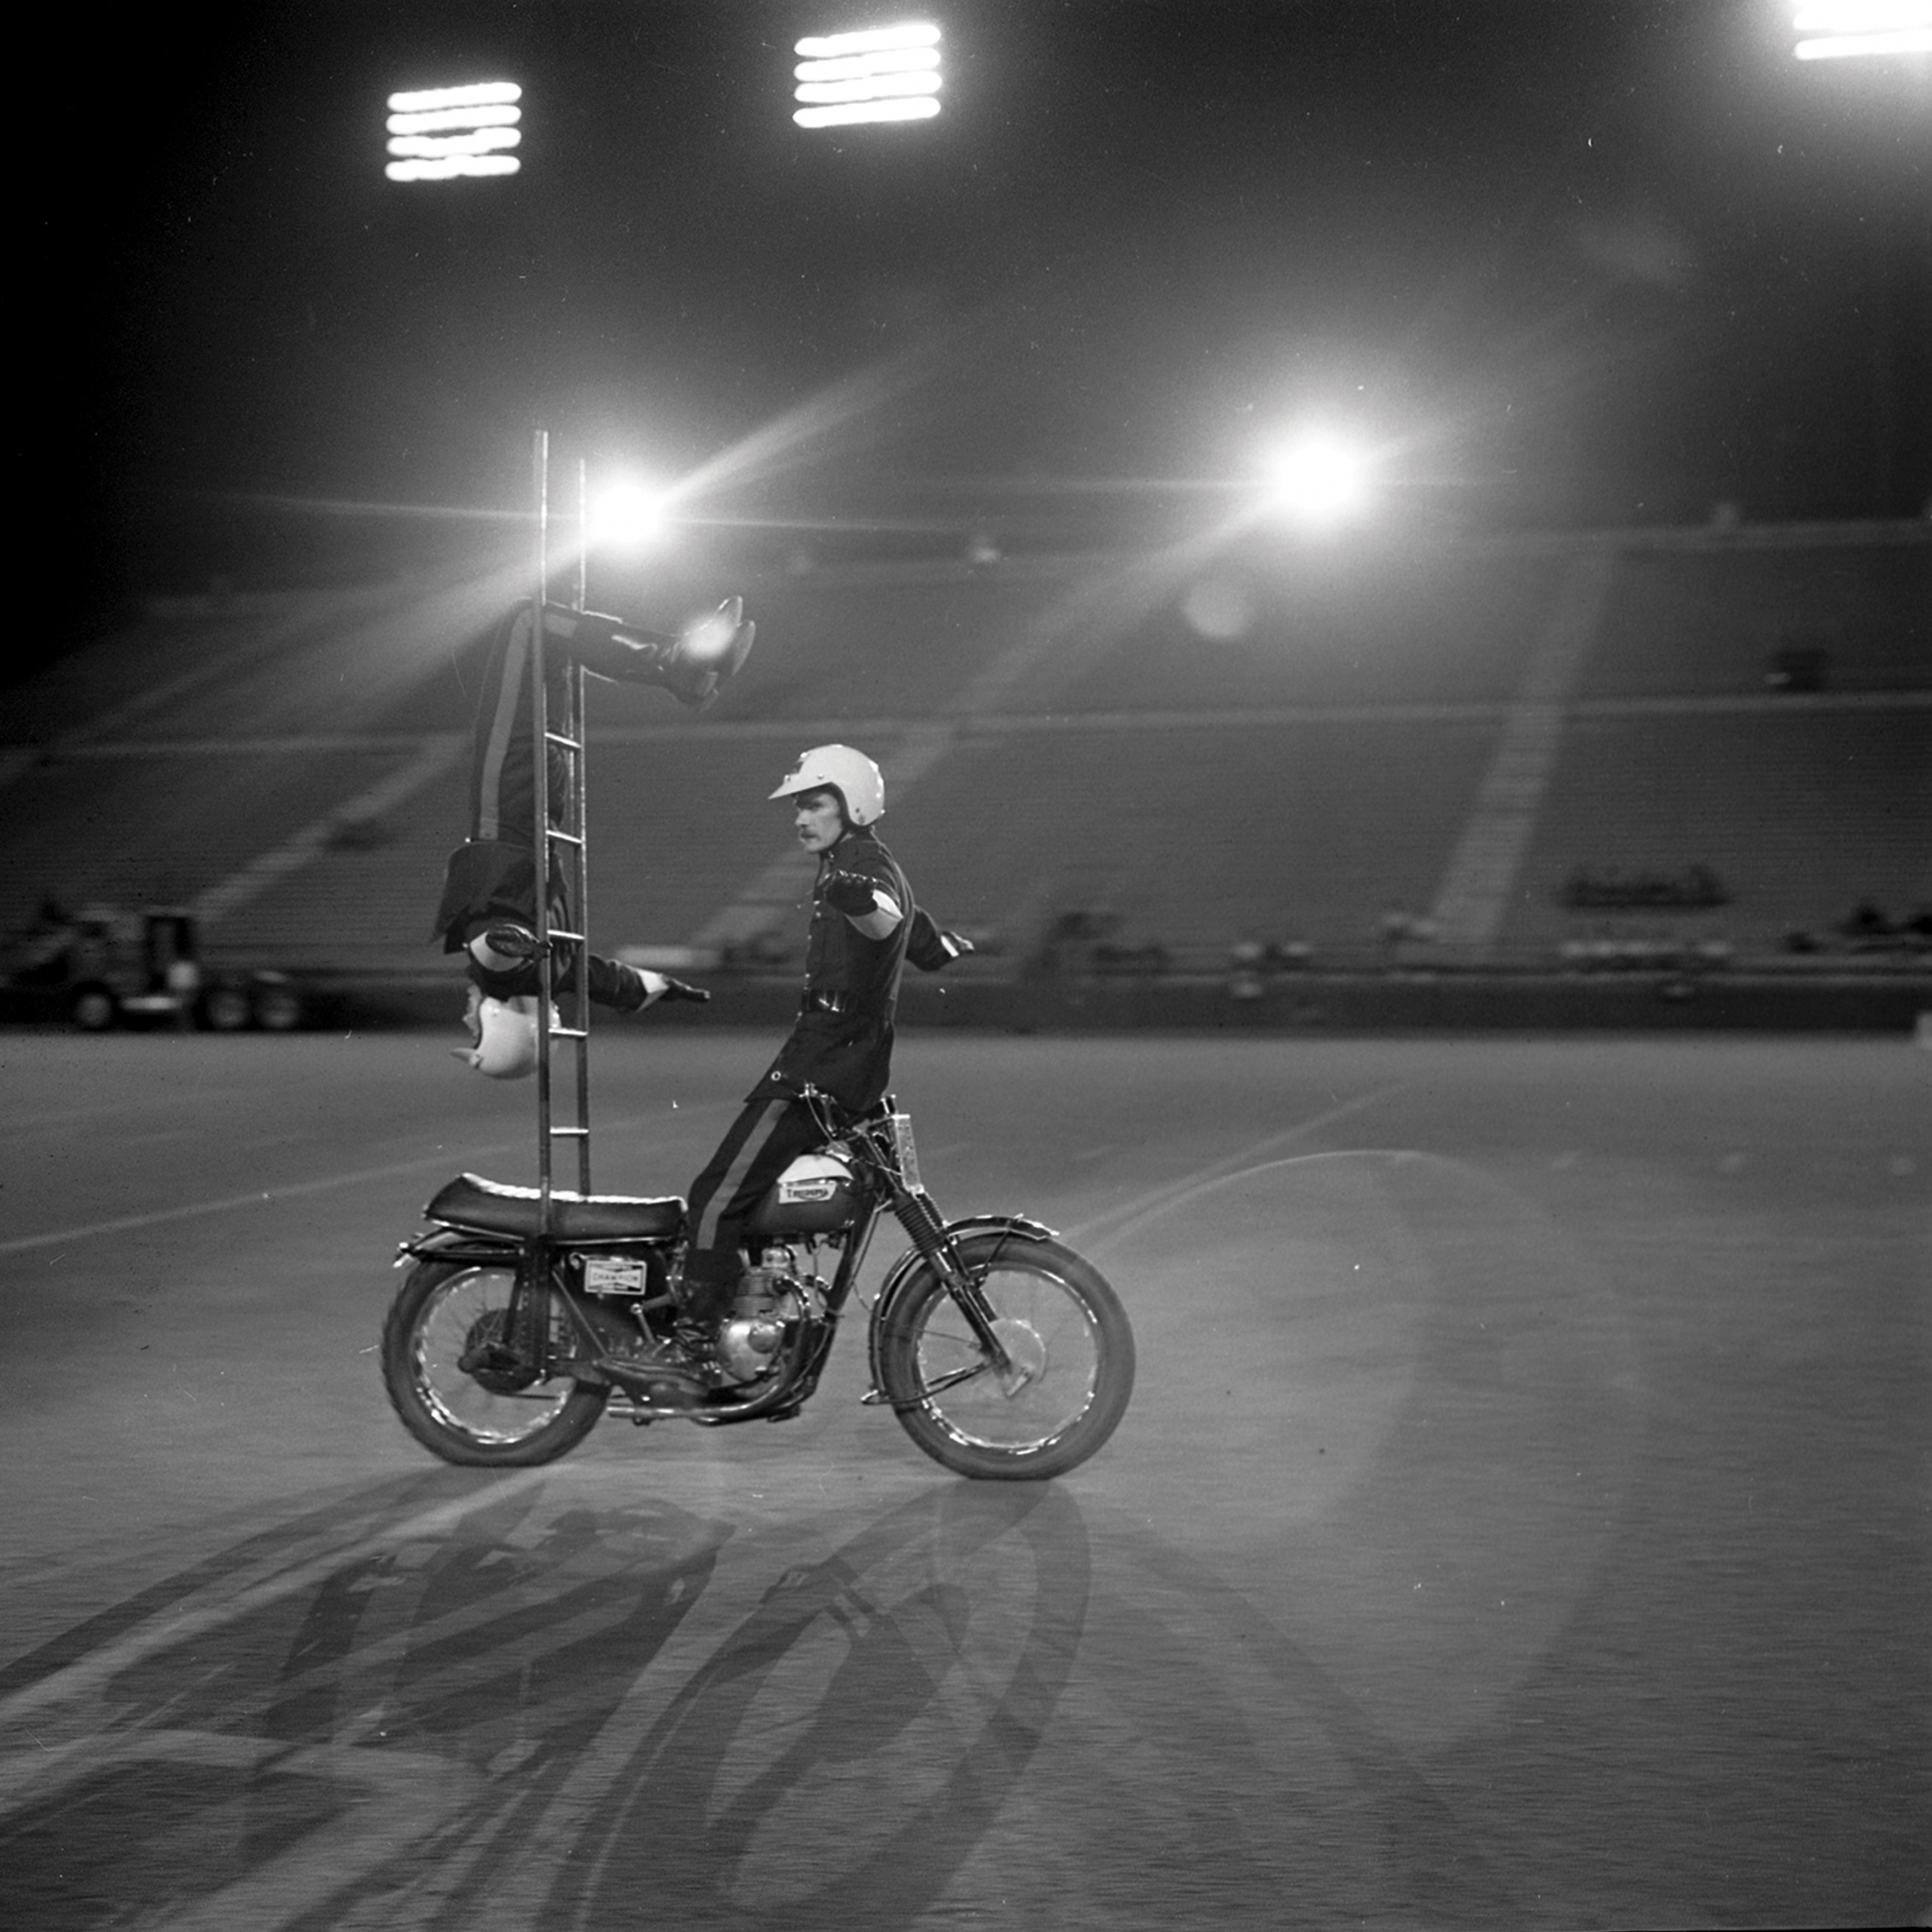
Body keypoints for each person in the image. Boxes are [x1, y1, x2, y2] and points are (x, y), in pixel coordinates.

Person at [668, 745, 971, 1373]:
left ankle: (692, 1343)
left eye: (815, 803)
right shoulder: (858, 863)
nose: (801, 817)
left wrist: (862, 901)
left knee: (716, 1197)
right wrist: (943, 945)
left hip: (820, 1068)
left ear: (852, 804)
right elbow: (923, 941)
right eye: (799, 807)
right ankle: (752, 1308)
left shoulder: (858, 867)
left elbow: (885, 919)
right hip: (844, 1065)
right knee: (755, 1200)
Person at [432, 595, 755, 1075]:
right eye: (474, 1026)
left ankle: (678, 666)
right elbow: (498, 946)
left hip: (543, 817)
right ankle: (674, 664)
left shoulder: (554, 972)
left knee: (549, 663)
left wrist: (664, 987)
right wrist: (510, 945)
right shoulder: (501, 967)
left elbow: (615, 983)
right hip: (507, 816)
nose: (465, 1015)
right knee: (530, 623)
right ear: (498, 1020)